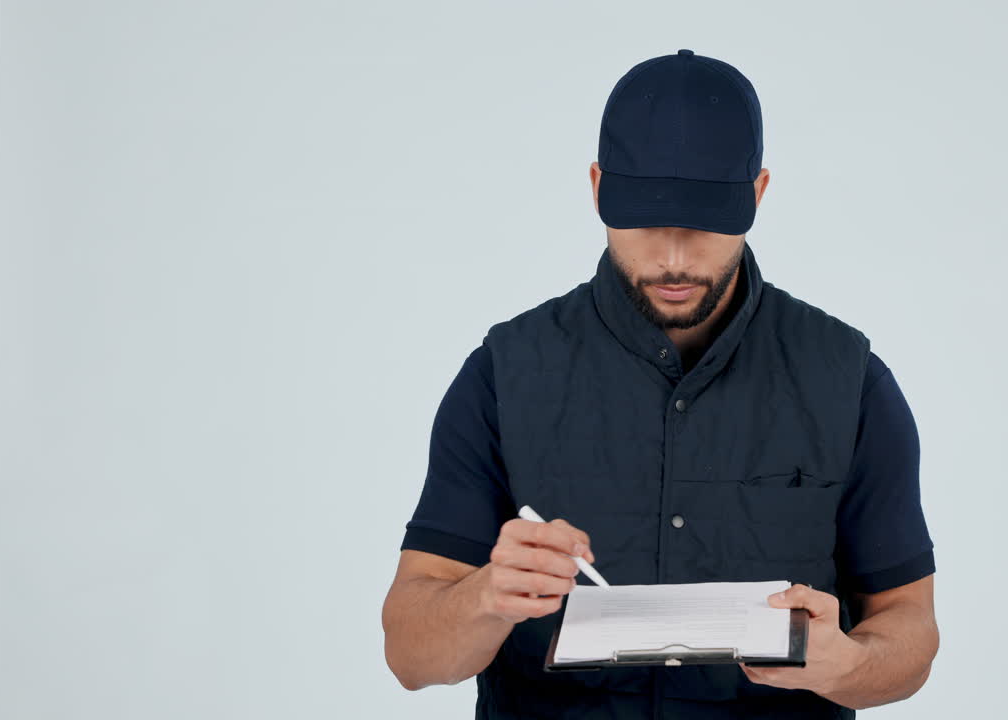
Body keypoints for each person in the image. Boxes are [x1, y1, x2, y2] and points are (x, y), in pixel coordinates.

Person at [382, 49, 938, 718]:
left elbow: (910, 628)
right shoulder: (502, 374)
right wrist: (483, 598)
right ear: (596, 189)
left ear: (758, 194)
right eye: (645, 220)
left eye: (703, 224)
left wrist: (851, 665)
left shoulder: (849, 380)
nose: (674, 258)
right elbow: (410, 658)